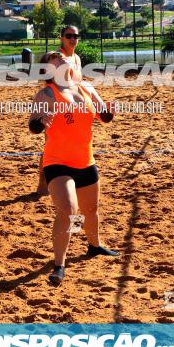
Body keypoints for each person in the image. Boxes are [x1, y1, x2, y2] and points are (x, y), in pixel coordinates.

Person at [28, 51, 117, 286]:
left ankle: (94, 246)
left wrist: (109, 111)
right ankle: (59, 266)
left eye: (62, 57)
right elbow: (32, 125)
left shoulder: (87, 89)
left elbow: (104, 117)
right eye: (54, 58)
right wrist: (40, 122)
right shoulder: (47, 94)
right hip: (57, 161)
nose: (61, 58)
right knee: (68, 210)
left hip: (85, 160)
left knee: (91, 209)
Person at [34, 26, 106, 195]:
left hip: (77, 108)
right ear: (61, 38)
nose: (73, 38)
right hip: (58, 107)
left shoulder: (76, 58)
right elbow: (50, 81)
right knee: (50, 146)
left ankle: (69, 179)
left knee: (77, 144)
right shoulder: (57, 56)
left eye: (76, 35)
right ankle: (43, 183)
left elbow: (78, 84)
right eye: (69, 36)